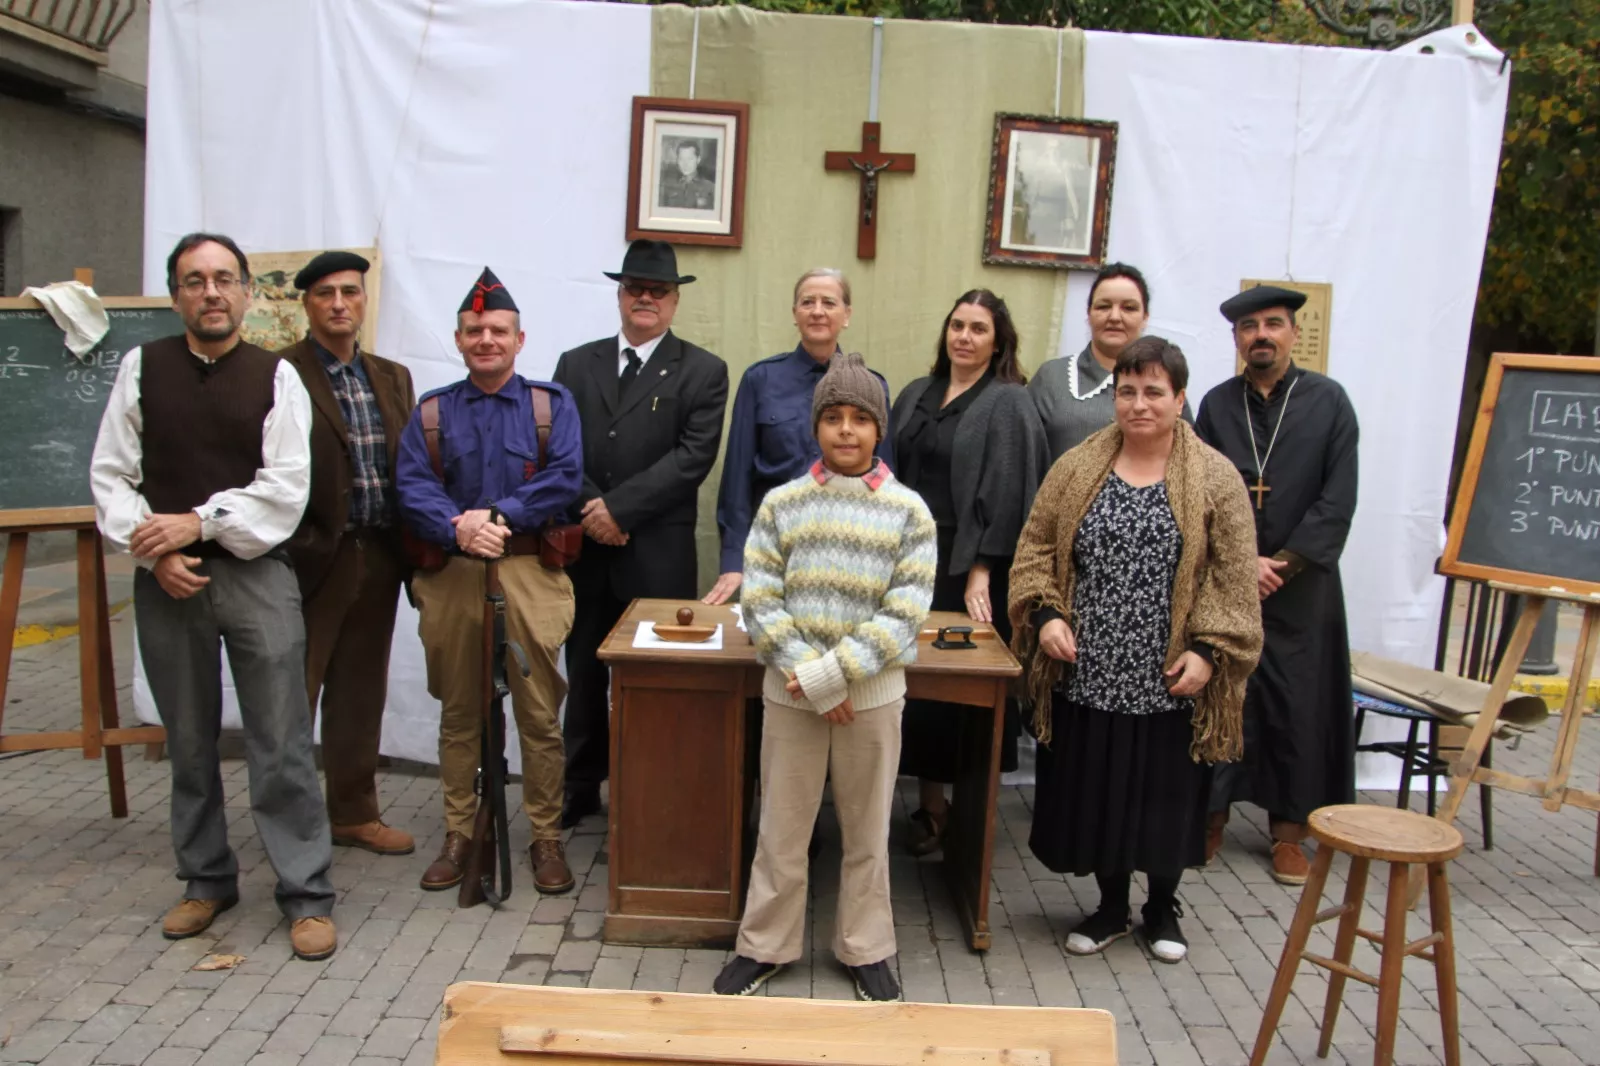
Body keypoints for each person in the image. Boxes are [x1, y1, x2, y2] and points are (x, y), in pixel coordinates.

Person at [90, 232, 337, 961]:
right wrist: (156, 545)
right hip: (165, 579)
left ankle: (307, 893)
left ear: (248, 292)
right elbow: (111, 475)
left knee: (281, 740)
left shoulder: (276, 376)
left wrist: (197, 524)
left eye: (224, 279)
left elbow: (286, 486)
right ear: (176, 295)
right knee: (189, 742)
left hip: (255, 572)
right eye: (195, 281)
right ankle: (206, 880)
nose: (211, 292)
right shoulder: (143, 367)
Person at [1008, 336, 1261, 963]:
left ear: (1179, 398)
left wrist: (1206, 650)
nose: (1139, 404)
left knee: (1165, 796)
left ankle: (1161, 907)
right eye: (1127, 391)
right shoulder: (1075, 467)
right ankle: (1112, 907)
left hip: (1171, 675)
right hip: (1088, 670)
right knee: (1102, 791)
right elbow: (1036, 549)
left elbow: (1231, 577)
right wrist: (1045, 617)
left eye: (1154, 392)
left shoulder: (1216, 478)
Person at [713, 353, 936, 1003]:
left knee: (868, 831)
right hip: (792, 696)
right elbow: (759, 598)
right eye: (832, 418)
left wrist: (837, 677)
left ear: (878, 429)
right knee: (782, 828)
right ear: (816, 428)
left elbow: (905, 612)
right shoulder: (783, 505)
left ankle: (866, 948)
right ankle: (763, 945)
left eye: (860, 419)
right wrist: (811, 677)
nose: (846, 431)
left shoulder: (907, 512)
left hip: (870, 702)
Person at [395, 267, 583, 895]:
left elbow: (564, 478)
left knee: (538, 714)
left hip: (530, 572)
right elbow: (413, 486)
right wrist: (460, 530)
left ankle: (546, 836)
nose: (486, 340)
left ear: (519, 339)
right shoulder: (431, 412)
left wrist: (498, 517)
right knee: (459, 712)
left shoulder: (551, 406)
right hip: (454, 574)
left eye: (498, 330)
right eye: (474, 330)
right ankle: (459, 831)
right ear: (458, 338)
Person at [553, 240, 730, 829]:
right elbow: (558, 450)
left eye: (658, 290)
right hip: (585, 551)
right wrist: (592, 510)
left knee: (654, 676)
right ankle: (581, 784)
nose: (646, 298)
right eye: (635, 288)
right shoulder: (576, 364)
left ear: (676, 301)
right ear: (620, 296)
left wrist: (619, 512)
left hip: (656, 553)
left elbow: (692, 459)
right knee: (583, 671)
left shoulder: (704, 371)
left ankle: (650, 784)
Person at [1196, 284, 1359, 886]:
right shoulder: (1216, 405)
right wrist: (1244, 564)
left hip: (1304, 589)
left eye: (1272, 324)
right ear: (1236, 339)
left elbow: (1337, 500)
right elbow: (1202, 491)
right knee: (1224, 697)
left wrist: (1282, 564)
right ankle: (1210, 817)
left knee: (1296, 706)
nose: (1260, 335)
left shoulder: (1329, 403)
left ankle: (1290, 833)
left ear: (1293, 332)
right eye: (1248, 328)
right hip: (1230, 580)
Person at [889, 289, 1047, 856]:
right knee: (913, 688)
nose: (965, 337)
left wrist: (982, 568)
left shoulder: (1009, 401)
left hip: (968, 568)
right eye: (957, 325)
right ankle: (930, 805)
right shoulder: (915, 394)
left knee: (956, 692)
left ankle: (963, 818)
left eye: (979, 328)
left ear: (998, 340)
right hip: (909, 561)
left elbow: (1012, 494)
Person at [280, 250, 416, 858]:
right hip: (312, 558)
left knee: (360, 692)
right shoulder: (277, 372)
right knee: (292, 696)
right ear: (306, 303)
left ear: (365, 301)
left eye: (351, 293)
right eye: (326, 293)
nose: (340, 303)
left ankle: (354, 813)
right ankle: (288, 824)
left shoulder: (392, 376)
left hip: (379, 552)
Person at [706, 267, 893, 606]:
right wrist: (734, 560)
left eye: (829, 302)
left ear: (847, 314)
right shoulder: (760, 379)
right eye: (808, 302)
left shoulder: (871, 385)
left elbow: (884, 476)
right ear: (795, 313)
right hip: (775, 545)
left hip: (850, 547)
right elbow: (736, 480)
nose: (818, 311)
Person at [1031, 263, 1190, 461]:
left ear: (1145, 318)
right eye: (1104, 306)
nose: (1114, 317)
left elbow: (1186, 458)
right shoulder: (1052, 378)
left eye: (1128, 308)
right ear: (1089, 314)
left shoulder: (1165, 381)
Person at [659, 141, 716, 210]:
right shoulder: (667, 186)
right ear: (677, 161)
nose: (685, 164)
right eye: (681, 159)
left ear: (698, 160)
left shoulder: (710, 188)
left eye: (690, 159)